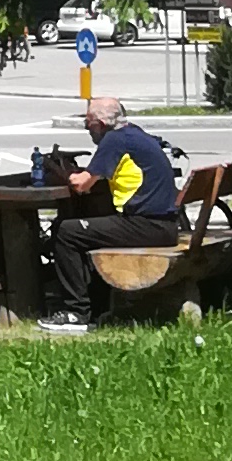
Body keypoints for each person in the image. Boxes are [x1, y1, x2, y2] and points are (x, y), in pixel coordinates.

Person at [45, 93, 181, 320]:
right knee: (89, 224)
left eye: (88, 123)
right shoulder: (135, 133)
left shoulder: (114, 140)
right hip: (165, 225)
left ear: (100, 124)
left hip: (146, 225)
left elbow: (81, 184)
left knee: (66, 232)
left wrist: (62, 171)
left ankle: (76, 312)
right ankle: (99, 306)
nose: (87, 128)